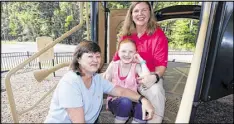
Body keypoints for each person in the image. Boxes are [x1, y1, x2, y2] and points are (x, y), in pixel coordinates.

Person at [44, 40, 154, 123]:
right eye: (90, 56)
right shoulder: (71, 83)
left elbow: (121, 92)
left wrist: (143, 99)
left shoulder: (97, 79)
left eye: (98, 56)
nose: (95, 60)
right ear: (78, 59)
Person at [104, 2, 168, 123]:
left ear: (150, 13)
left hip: (145, 76)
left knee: (155, 91)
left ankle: (154, 119)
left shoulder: (158, 35)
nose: (140, 14)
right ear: (131, 14)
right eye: (136, 11)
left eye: (144, 10)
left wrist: (154, 77)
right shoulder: (127, 35)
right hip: (128, 75)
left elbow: (161, 65)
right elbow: (117, 57)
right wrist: (107, 72)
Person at [103, 39, 152, 123]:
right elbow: (105, 84)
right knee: (125, 102)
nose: (127, 54)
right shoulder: (113, 66)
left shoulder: (136, 67)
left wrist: (141, 61)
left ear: (135, 53)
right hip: (115, 101)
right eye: (123, 51)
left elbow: (147, 78)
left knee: (141, 107)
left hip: (133, 100)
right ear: (118, 52)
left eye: (131, 52)